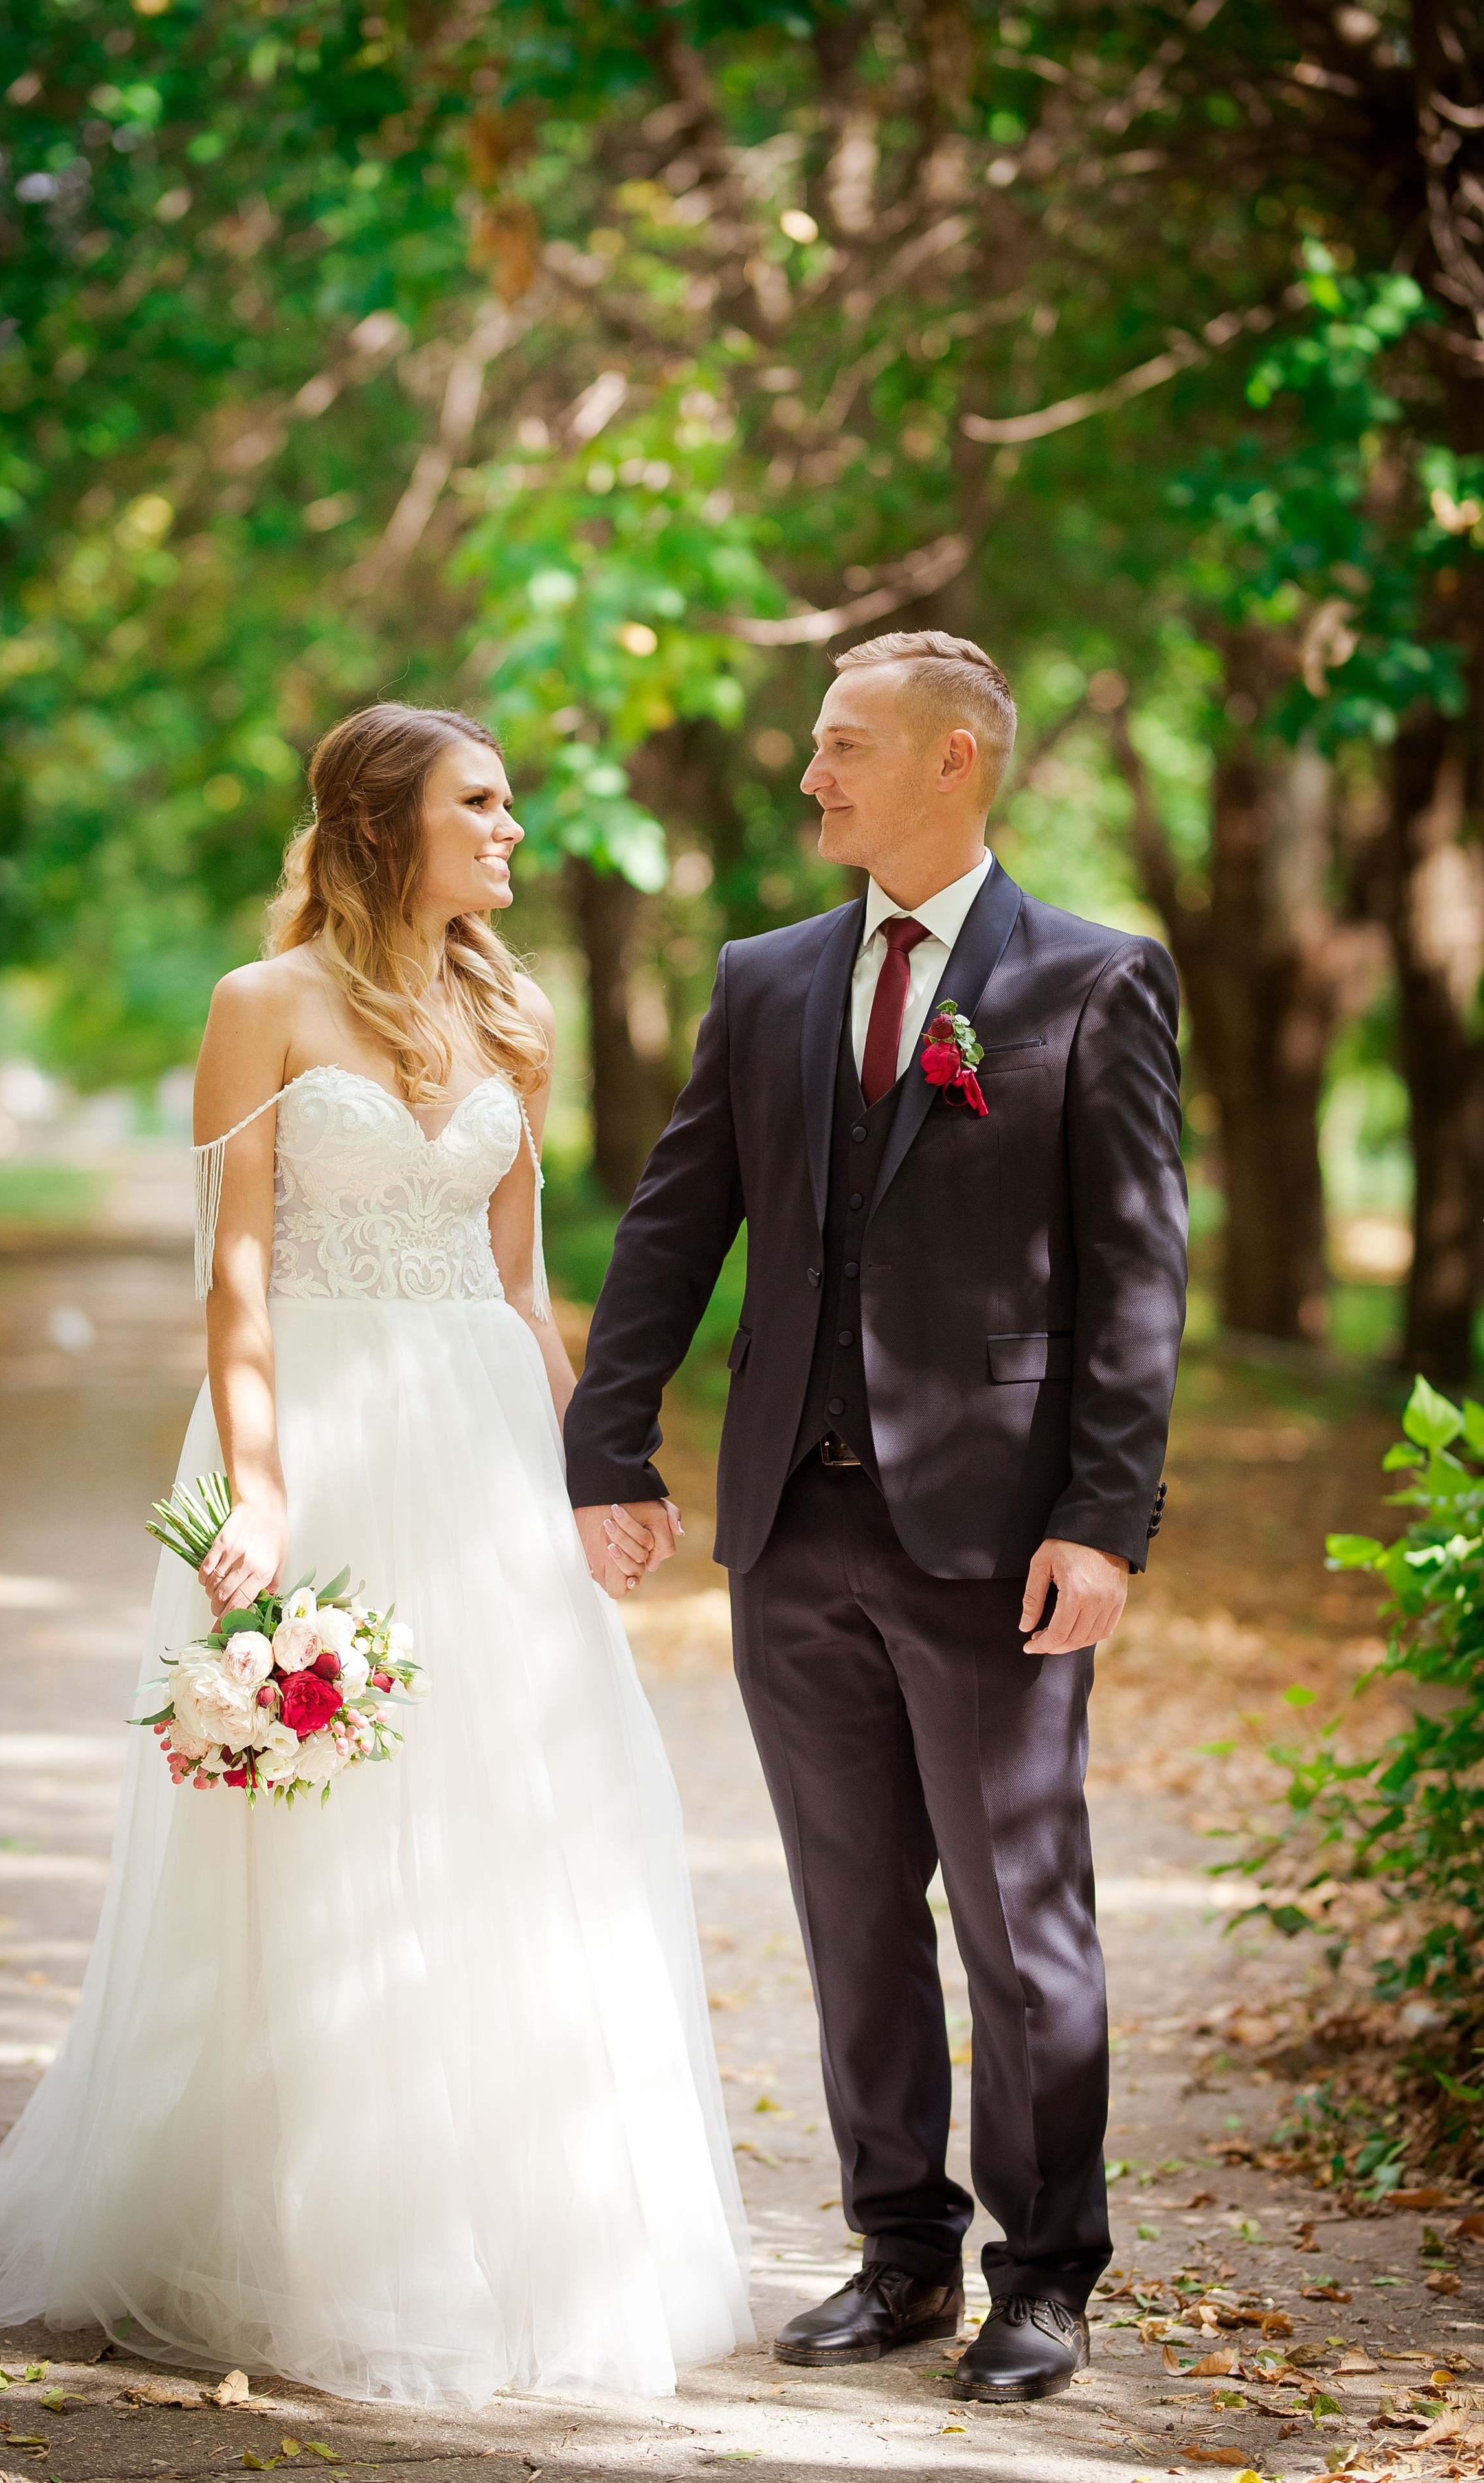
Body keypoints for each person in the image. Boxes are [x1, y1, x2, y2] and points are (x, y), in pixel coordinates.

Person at [0, 701, 752, 2408]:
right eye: (484, 801)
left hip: (478, 1444)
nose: (514, 830)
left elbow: (526, 1281)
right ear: (384, 820)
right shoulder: (263, 1008)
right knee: (321, 1825)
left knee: (515, 1808)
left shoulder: (509, 1013)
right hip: (318, 1430)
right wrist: (258, 1483)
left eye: (513, 803)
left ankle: (508, 2218)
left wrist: (599, 1460)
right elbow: (234, 1267)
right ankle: (303, 2234)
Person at [565, 631, 1187, 2404]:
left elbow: (1142, 1273)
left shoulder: (1091, 978)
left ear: (956, 763)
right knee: (853, 1912)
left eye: (845, 746)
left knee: (1021, 1918)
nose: (814, 775)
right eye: (817, 745)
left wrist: (1105, 1515)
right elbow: (679, 1221)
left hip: (999, 1538)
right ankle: (900, 2250)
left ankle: (1045, 2275)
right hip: (793, 1523)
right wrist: (610, 1444)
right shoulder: (766, 980)